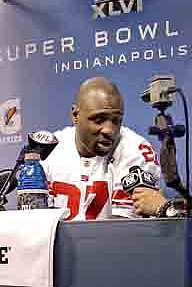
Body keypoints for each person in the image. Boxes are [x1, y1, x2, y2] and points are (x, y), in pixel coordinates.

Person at [41, 76, 167, 221]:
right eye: (98, 120)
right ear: (76, 115)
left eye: (116, 120)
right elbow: (38, 224)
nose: (109, 130)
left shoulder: (135, 150)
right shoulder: (50, 148)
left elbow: (122, 231)